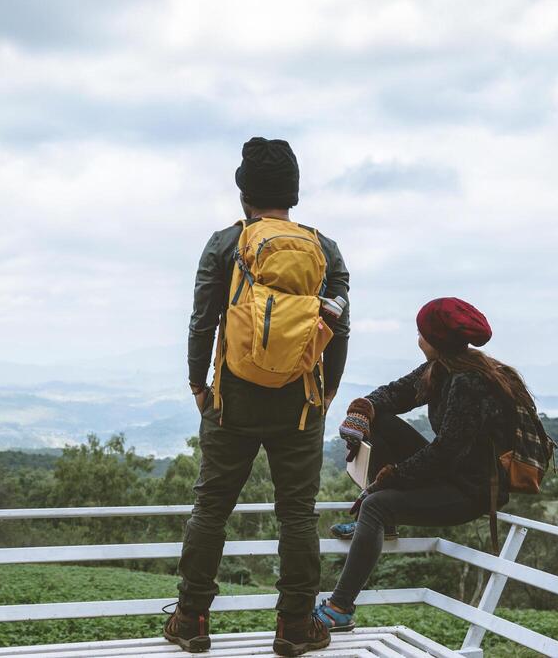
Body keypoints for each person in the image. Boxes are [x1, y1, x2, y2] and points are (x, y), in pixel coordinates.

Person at [164, 137, 352, 657]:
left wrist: (199, 385)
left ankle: (192, 619)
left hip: (232, 401)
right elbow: (339, 328)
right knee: (297, 514)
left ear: (243, 193)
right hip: (300, 405)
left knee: (212, 508)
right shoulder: (325, 248)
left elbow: (203, 321)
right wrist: (327, 394)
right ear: (292, 193)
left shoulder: (226, 244)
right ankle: (294, 626)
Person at [308, 297, 531, 634]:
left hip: (470, 491)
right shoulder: (442, 367)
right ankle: (384, 527)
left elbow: (445, 452)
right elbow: (394, 394)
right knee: (380, 420)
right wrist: (361, 410)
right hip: (452, 472)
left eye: (421, 333)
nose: (418, 339)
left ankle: (340, 609)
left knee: (376, 506)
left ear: (435, 340)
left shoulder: (467, 382)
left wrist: (389, 478)